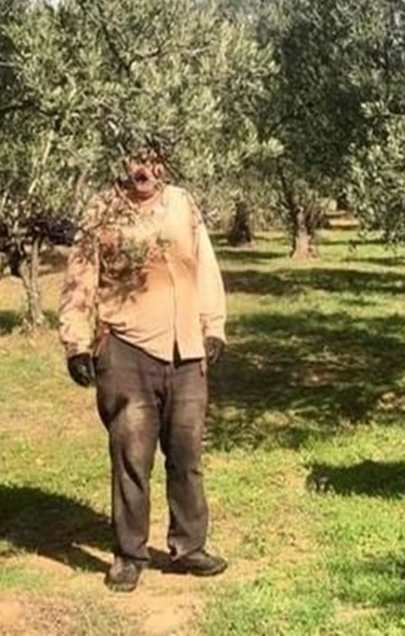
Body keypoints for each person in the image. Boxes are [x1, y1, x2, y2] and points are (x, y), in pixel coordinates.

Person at [58, 142, 229, 592]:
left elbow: (204, 266)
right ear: (121, 161)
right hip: (126, 350)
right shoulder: (103, 209)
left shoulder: (182, 203)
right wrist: (77, 343)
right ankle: (130, 554)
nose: (144, 170)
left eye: (153, 160)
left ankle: (189, 547)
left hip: (186, 350)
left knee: (187, 455)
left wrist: (213, 326)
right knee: (131, 456)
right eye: (135, 159)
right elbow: (81, 276)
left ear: (164, 162)